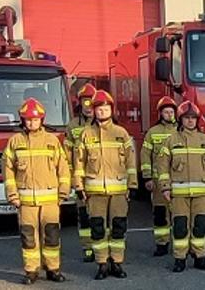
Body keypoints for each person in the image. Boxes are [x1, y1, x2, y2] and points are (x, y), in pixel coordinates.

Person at [1, 97, 70, 284]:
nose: (32, 123)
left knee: (52, 235)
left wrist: (63, 192)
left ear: (42, 120)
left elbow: (62, 167)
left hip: (50, 200)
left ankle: (53, 269)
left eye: (35, 119)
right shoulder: (15, 142)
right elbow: (8, 170)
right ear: (22, 120)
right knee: (28, 237)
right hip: (25, 201)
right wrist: (12, 195)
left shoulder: (52, 141)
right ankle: (31, 271)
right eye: (28, 119)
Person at [73, 90, 136, 278]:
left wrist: (132, 185)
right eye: (98, 109)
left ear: (111, 110)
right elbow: (78, 163)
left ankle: (116, 263)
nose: (101, 112)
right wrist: (78, 187)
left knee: (118, 227)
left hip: (118, 192)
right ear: (93, 111)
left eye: (105, 108)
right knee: (98, 228)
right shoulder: (85, 134)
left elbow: (131, 162)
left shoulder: (121, 133)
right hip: (94, 192)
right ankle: (101, 263)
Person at [157, 101, 205, 272]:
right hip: (179, 194)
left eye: (193, 118)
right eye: (187, 118)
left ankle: (200, 257)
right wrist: (165, 187)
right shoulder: (171, 141)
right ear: (180, 120)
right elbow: (162, 167)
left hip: (201, 193)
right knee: (180, 227)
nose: (190, 121)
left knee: (200, 225)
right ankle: (180, 258)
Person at [141, 97, 180, 255]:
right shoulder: (153, 132)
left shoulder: (181, 131)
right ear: (160, 113)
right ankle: (162, 244)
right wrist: (147, 177)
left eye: (171, 112)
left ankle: (180, 244)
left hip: (178, 181)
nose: (169, 115)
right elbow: (145, 156)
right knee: (160, 213)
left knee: (178, 215)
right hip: (158, 183)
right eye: (166, 112)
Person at [69, 83, 98, 262]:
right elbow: (67, 155)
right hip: (81, 178)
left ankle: (102, 248)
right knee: (84, 216)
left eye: (92, 103)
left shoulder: (105, 126)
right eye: (85, 103)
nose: (88, 107)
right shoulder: (73, 126)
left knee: (101, 217)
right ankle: (88, 248)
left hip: (99, 178)